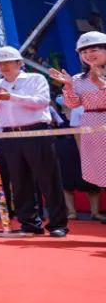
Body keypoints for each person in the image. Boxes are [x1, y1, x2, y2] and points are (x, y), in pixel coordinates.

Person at [0, 46, 67, 236]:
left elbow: (41, 101)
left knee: (48, 179)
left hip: (35, 131)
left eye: (7, 62)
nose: (3, 66)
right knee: (19, 181)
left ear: (19, 63)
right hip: (10, 134)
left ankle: (57, 224)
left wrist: (11, 97)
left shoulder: (35, 79)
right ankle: (29, 223)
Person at [54, 31, 106, 191]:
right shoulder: (78, 79)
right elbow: (73, 104)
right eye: (84, 52)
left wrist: (100, 84)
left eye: (93, 50)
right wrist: (68, 87)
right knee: (102, 174)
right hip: (92, 127)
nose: (88, 55)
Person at [53, 97, 103, 220]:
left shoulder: (85, 109)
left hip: (88, 146)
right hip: (64, 148)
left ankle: (95, 213)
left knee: (92, 181)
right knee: (66, 180)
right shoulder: (56, 112)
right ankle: (71, 211)